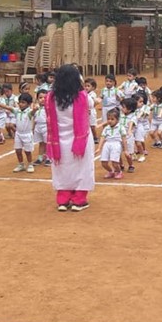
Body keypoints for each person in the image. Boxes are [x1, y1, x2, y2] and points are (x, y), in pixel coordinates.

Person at [45, 65, 95, 212]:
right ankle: (79, 199)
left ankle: (63, 199)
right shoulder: (83, 97)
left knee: (62, 168)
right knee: (82, 168)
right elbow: (91, 106)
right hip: (80, 139)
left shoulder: (50, 98)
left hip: (58, 140)